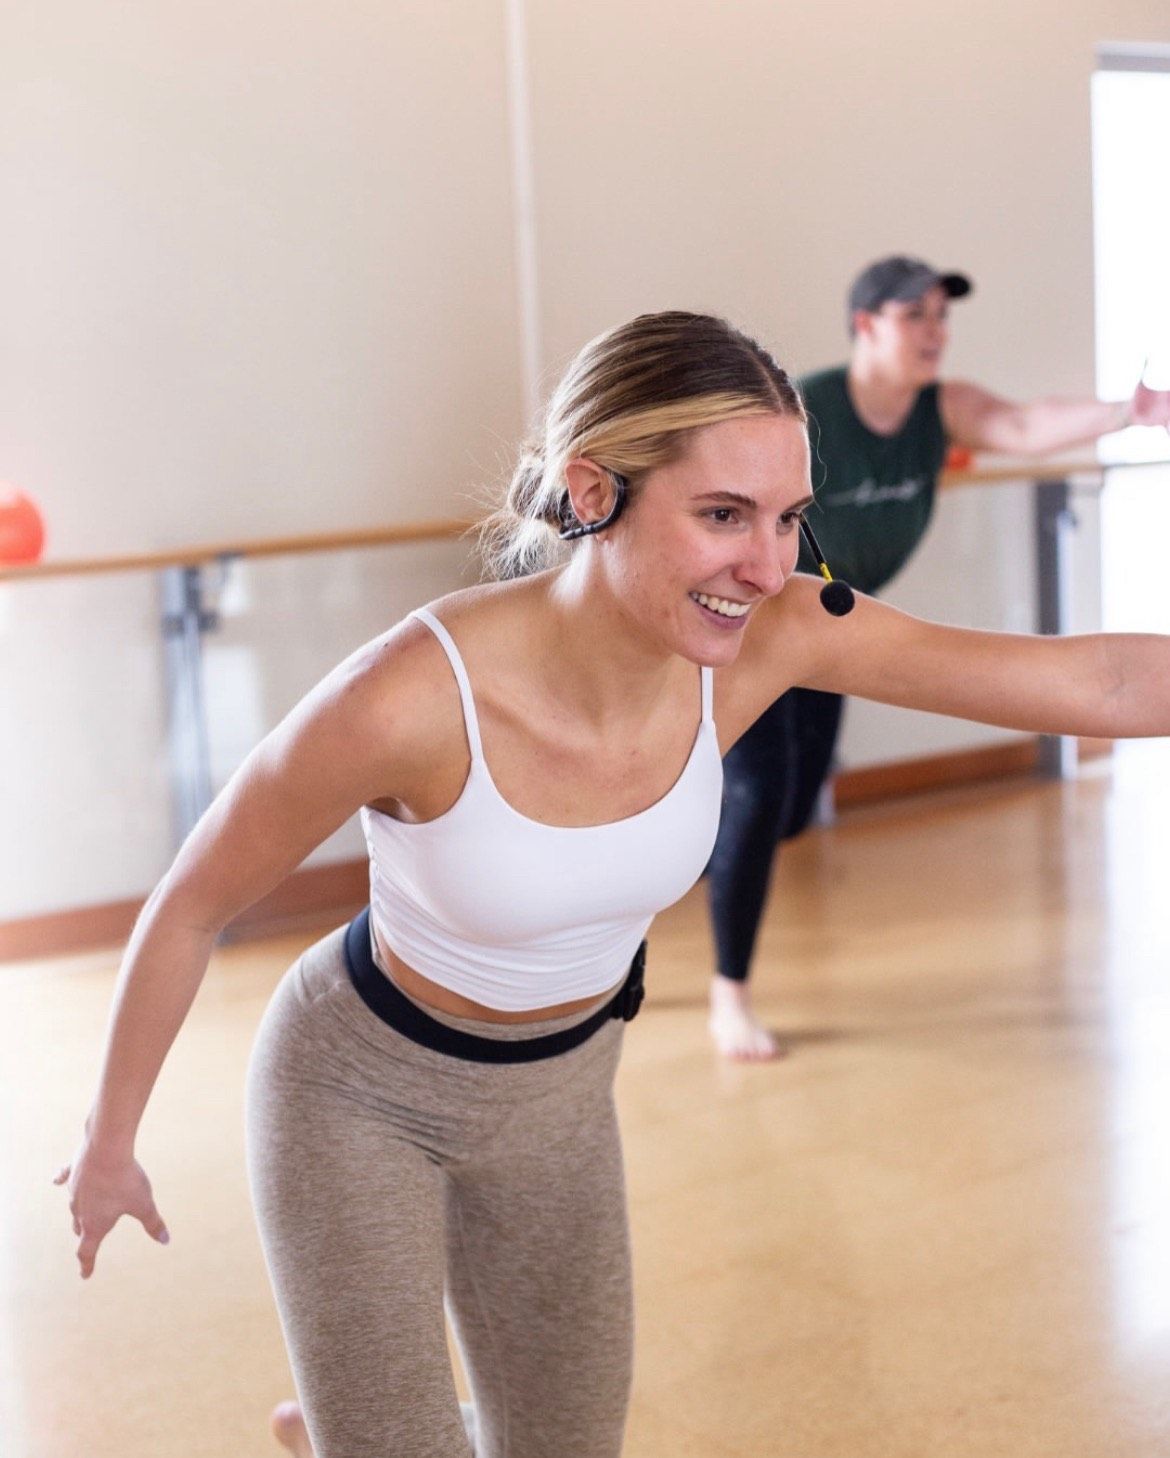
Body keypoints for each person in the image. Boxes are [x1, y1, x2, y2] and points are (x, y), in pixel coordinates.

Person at [55, 310, 1170, 1458]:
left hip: (560, 1100)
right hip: (357, 1097)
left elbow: (1104, 680)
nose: (769, 565)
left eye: (788, 517)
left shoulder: (774, 634)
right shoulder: (405, 698)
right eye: (723, 515)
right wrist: (109, 1142)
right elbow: (192, 903)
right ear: (594, 491)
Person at [707, 256, 1170, 1060]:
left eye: (941, 315)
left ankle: (679, 840)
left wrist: (1127, 412)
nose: (935, 331)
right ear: (865, 325)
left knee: (790, 811)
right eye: (914, 315)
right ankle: (729, 995)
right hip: (753, 627)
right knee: (757, 796)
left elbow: (1023, 426)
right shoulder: (806, 411)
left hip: (830, 635)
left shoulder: (941, 409)